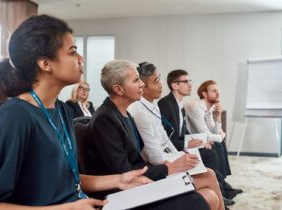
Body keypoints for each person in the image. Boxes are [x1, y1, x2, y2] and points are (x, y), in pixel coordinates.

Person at [0, 15, 153, 210]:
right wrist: (66, 209)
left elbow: (68, 178)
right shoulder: (16, 115)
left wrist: (118, 180)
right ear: (45, 63)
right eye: (72, 52)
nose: (81, 58)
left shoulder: (63, 110)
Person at [86, 59, 215, 210]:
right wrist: (170, 168)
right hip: (122, 193)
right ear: (119, 89)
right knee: (202, 198)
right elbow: (124, 173)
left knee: (207, 182)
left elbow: (137, 161)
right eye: (136, 80)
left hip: (139, 181)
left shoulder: (124, 113)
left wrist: (168, 166)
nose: (142, 84)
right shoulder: (105, 119)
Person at [128, 62, 225, 210]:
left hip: (167, 157)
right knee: (209, 175)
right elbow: (155, 157)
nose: (161, 85)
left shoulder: (153, 106)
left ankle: (223, 192)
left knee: (210, 173)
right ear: (143, 86)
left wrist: (180, 154)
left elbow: (165, 138)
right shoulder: (144, 110)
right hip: (158, 166)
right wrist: (179, 160)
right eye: (156, 81)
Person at [157, 69, 237, 206]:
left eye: (190, 81)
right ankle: (219, 189)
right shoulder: (166, 103)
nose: (190, 85)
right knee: (210, 152)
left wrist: (193, 141)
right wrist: (188, 144)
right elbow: (165, 137)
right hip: (172, 150)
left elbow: (184, 132)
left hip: (182, 143)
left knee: (212, 148)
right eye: (186, 81)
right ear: (175, 85)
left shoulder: (179, 104)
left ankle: (221, 187)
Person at [184, 80, 243, 196]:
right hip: (190, 140)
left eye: (218, 91)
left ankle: (223, 183)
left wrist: (218, 115)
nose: (218, 94)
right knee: (218, 143)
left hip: (201, 138)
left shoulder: (209, 108)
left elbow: (213, 130)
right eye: (214, 91)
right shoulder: (196, 106)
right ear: (204, 94)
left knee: (219, 143)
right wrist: (221, 136)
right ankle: (221, 185)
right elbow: (206, 133)